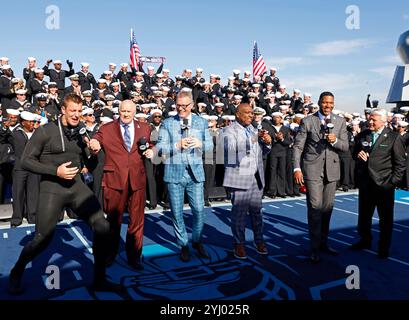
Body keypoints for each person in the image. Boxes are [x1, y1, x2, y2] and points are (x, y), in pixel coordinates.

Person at [8, 93, 122, 294]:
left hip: (76, 188)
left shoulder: (80, 133)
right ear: (63, 110)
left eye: (79, 111)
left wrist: (94, 153)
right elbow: (25, 161)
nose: (77, 115)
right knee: (42, 239)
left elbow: (90, 164)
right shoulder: (45, 131)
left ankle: (99, 279)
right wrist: (55, 171)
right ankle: (17, 271)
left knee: (102, 226)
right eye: (73, 111)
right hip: (52, 188)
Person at [89, 100, 153, 270]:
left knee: (137, 221)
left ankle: (134, 256)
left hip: (137, 180)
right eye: (123, 111)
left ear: (135, 111)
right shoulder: (107, 128)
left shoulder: (145, 128)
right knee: (113, 221)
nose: (125, 114)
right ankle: (111, 254)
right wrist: (94, 144)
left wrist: (152, 150)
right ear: (118, 111)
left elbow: (153, 144)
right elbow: (97, 139)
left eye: (129, 111)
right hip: (114, 180)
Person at [155, 89, 213, 262]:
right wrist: (177, 145)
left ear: (192, 105)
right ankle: (183, 244)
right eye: (178, 106)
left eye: (185, 106)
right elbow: (160, 148)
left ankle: (196, 240)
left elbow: (209, 146)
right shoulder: (167, 123)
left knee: (199, 210)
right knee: (177, 213)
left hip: (195, 174)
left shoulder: (202, 122)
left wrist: (200, 143)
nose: (181, 109)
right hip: (174, 174)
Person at [292, 91, 348, 263]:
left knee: (327, 209)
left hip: (332, 171)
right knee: (315, 207)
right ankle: (314, 247)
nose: (328, 106)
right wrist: (296, 168)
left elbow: (345, 146)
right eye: (325, 102)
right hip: (312, 170)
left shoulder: (340, 121)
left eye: (331, 103)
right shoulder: (308, 121)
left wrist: (335, 141)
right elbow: (298, 147)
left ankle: (324, 243)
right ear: (319, 103)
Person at [350, 108, 406, 258]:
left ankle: (383, 247)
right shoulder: (363, 135)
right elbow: (354, 152)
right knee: (364, 217)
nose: (370, 122)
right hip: (366, 184)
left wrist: (392, 183)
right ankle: (365, 239)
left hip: (384, 186)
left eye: (374, 120)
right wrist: (357, 154)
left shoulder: (394, 137)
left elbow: (400, 164)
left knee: (385, 219)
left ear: (384, 120)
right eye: (370, 119)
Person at [220, 103, 272, 259]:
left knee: (257, 213)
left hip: (256, 178)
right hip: (239, 178)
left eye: (252, 113)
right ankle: (239, 243)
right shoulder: (228, 131)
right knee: (239, 215)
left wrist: (267, 142)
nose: (251, 115)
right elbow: (232, 150)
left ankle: (259, 240)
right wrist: (254, 138)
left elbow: (262, 152)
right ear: (237, 114)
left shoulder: (254, 130)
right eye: (247, 113)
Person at [10, 111, 40, 227]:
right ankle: (17, 218)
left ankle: (32, 217)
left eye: (33, 121)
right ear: (23, 123)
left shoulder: (37, 133)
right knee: (18, 193)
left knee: (33, 193)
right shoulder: (15, 133)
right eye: (30, 122)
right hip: (20, 168)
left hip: (34, 167)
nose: (33, 123)